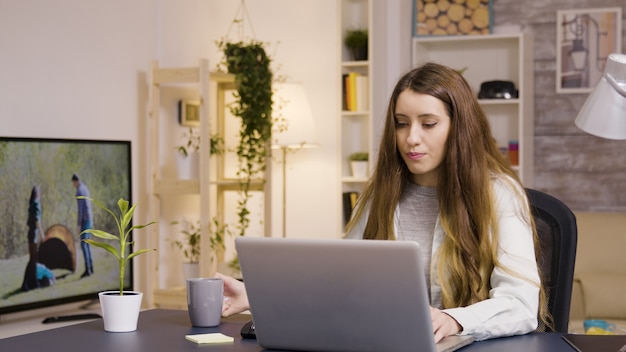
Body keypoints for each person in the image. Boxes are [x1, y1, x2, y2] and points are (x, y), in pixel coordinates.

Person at [216, 63, 550, 342]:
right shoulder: (380, 195)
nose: (411, 138)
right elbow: (338, 283)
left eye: (428, 124)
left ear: (459, 128)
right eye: (401, 124)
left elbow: (520, 304)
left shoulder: (498, 193)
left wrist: (454, 320)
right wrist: (256, 297)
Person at [72, 173, 94, 278]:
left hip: (85, 221)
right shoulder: (85, 188)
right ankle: (91, 267)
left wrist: (78, 225)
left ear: (75, 181)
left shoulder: (79, 191)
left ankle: (88, 270)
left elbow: (80, 210)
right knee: (87, 244)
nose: (73, 185)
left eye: (73, 183)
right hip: (90, 219)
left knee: (83, 244)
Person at [26, 185, 45, 262]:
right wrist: (42, 234)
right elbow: (37, 220)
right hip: (34, 232)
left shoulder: (31, 204)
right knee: (34, 257)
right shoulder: (36, 204)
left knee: (32, 256)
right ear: (37, 194)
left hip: (30, 232)